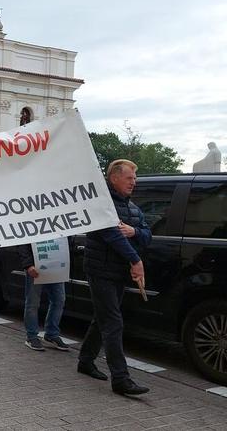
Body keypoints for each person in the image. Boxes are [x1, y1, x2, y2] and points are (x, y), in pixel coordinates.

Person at [77, 159, 152, 396]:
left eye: (135, 178)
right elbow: (112, 236)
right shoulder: (102, 204)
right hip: (100, 271)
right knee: (113, 322)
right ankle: (120, 379)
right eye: (130, 178)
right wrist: (135, 260)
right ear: (114, 178)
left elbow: (148, 235)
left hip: (118, 273)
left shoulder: (133, 208)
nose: (134, 182)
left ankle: (85, 361)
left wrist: (135, 231)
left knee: (103, 319)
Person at [17, 243, 69, 351]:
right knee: (33, 302)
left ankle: (51, 335)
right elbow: (23, 242)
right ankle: (31, 337)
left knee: (59, 300)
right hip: (35, 266)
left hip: (55, 264)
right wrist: (28, 265)